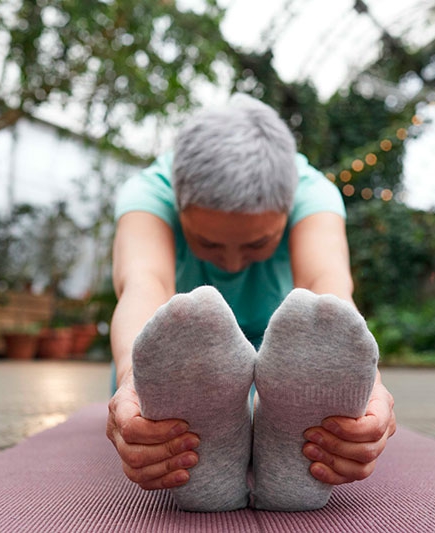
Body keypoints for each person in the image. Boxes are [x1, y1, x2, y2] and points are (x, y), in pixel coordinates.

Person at [106, 94, 396, 512]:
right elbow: (143, 283)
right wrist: (132, 380)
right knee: (191, 384)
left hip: (283, 361)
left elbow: (327, 290)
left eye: (258, 243)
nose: (232, 263)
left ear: (289, 206)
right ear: (178, 203)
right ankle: (226, 430)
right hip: (180, 363)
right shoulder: (149, 192)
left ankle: (270, 429)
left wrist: (369, 387)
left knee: (295, 373)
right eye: (207, 242)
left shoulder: (313, 192)